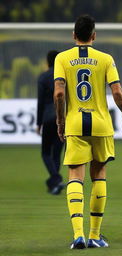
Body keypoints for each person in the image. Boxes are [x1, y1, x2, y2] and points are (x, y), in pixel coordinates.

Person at [54, 14, 122, 249]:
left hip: (75, 124)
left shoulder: (62, 58)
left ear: (73, 36)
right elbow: (118, 92)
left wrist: (60, 121)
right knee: (99, 174)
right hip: (101, 125)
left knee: (74, 177)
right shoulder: (105, 59)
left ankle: (78, 235)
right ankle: (94, 236)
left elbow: (59, 93)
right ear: (94, 35)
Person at [37, 50, 64, 195]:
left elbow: (41, 102)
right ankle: (54, 183)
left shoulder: (43, 77)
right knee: (57, 153)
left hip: (48, 118)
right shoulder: (65, 77)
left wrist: (38, 123)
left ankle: (55, 179)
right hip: (63, 118)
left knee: (46, 152)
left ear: (48, 61)